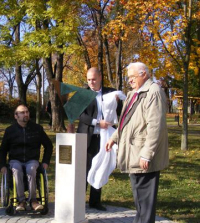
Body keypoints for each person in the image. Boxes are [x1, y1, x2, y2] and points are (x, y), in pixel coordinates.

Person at [105, 62, 169, 223]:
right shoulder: (134, 93)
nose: (130, 81)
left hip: (143, 155)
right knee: (140, 201)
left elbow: (156, 126)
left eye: (132, 77)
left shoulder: (153, 92)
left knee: (145, 204)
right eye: (128, 78)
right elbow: (125, 120)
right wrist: (114, 138)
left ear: (144, 74)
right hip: (134, 153)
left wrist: (147, 155)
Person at [67, 67, 121, 211]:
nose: (91, 82)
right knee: (83, 168)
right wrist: (97, 122)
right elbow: (79, 115)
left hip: (106, 138)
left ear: (100, 77)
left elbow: (120, 111)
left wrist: (117, 102)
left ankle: (95, 201)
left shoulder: (111, 92)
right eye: (89, 79)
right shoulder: (82, 94)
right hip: (86, 136)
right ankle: (79, 200)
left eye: (94, 79)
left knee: (101, 166)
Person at [0, 104, 53, 211]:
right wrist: (2, 165)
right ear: (16, 116)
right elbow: (2, 150)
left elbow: (49, 145)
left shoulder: (37, 129)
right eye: (22, 112)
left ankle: (33, 201)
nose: (26, 114)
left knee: (31, 169)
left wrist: (46, 161)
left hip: (32, 159)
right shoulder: (10, 130)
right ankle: (21, 201)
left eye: (27, 112)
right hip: (15, 159)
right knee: (17, 170)